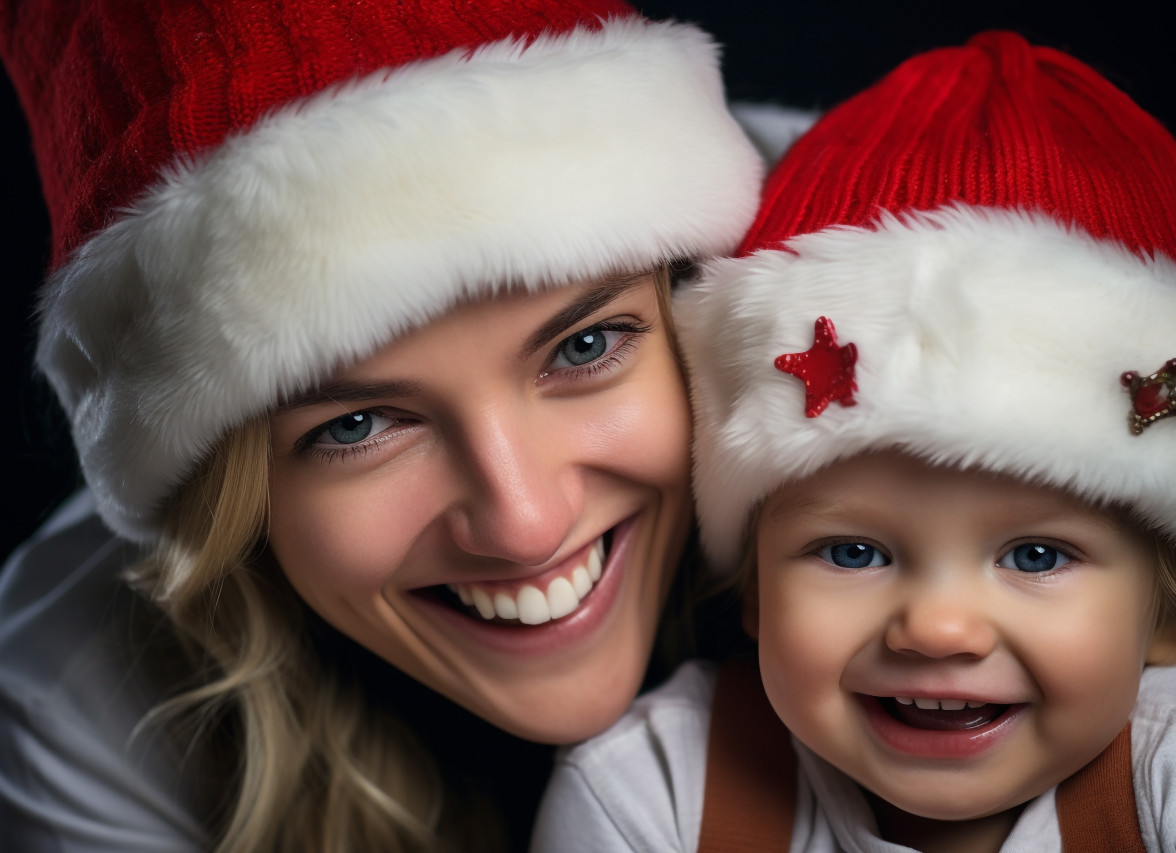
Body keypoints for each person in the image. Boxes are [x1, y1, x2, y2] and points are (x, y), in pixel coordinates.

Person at [0, 1, 764, 850]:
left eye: (586, 345)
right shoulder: (76, 699)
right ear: (231, 493)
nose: (525, 524)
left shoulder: (892, 375)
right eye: (357, 423)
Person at [533, 31, 1176, 852]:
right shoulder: (653, 791)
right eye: (851, 551)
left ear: (1167, 614)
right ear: (754, 589)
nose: (937, 627)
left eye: (1036, 555)